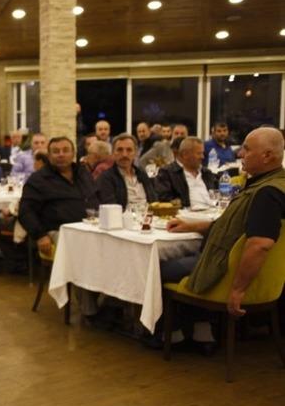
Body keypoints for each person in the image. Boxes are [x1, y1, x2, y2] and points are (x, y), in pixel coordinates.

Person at [162, 128, 285, 347]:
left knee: (158, 267)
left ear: (267, 156)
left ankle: (170, 333)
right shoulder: (272, 184)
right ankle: (201, 329)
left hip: (226, 269)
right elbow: (232, 227)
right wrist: (192, 226)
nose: (240, 154)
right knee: (190, 257)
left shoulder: (267, 193)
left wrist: (238, 289)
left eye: (247, 149)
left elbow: (260, 245)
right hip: (265, 277)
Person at [19, 137, 100, 318]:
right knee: (82, 253)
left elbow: (96, 198)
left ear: (73, 153)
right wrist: (40, 235)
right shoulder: (39, 180)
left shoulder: (83, 173)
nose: (61, 155)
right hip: (58, 231)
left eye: (65, 150)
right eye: (56, 151)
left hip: (90, 228)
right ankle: (90, 311)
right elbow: (25, 212)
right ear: (49, 155)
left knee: (114, 248)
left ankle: (113, 303)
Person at [96, 134, 157, 209]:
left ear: (135, 153)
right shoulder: (106, 178)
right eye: (119, 150)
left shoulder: (143, 175)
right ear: (113, 153)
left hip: (149, 215)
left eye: (129, 150)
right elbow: (111, 209)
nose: (124, 155)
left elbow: (154, 202)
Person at [155, 137, 217, 208]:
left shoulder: (206, 173)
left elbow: (218, 194)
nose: (202, 157)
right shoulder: (167, 173)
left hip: (213, 211)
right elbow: (164, 200)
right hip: (186, 213)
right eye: (199, 153)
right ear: (185, 155)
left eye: (202, 153)